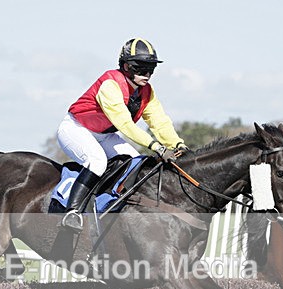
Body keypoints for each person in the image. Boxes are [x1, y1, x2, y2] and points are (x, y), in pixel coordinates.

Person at [56, 37, 189, 233]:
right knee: (97, 161)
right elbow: (124, 124)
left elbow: (159, 122)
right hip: (76, 129)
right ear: (126, 66)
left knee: (136, 162)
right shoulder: (110, 85)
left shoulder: (147, 92)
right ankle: (73, 212)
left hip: (105, 134)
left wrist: (177, 144)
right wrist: (157, 147)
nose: (147, 74)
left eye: (151, 69)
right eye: (141, 68)